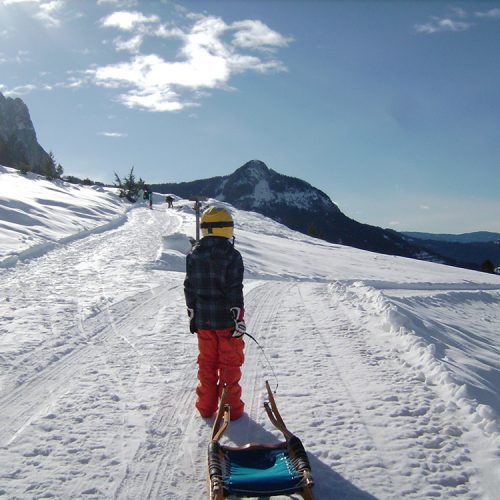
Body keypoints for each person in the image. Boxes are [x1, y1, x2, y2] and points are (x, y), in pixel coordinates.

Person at [184, 206, 246, 420]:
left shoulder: (193, 254)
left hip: (203, 322)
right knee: (230, 365)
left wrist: (192, 315)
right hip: (227, 323)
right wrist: (238, 319)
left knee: (207, 364)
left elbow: (189, 288)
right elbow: (234, 289)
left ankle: (206, 407)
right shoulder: (232, 255)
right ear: (226, 228)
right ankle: (231, 411)